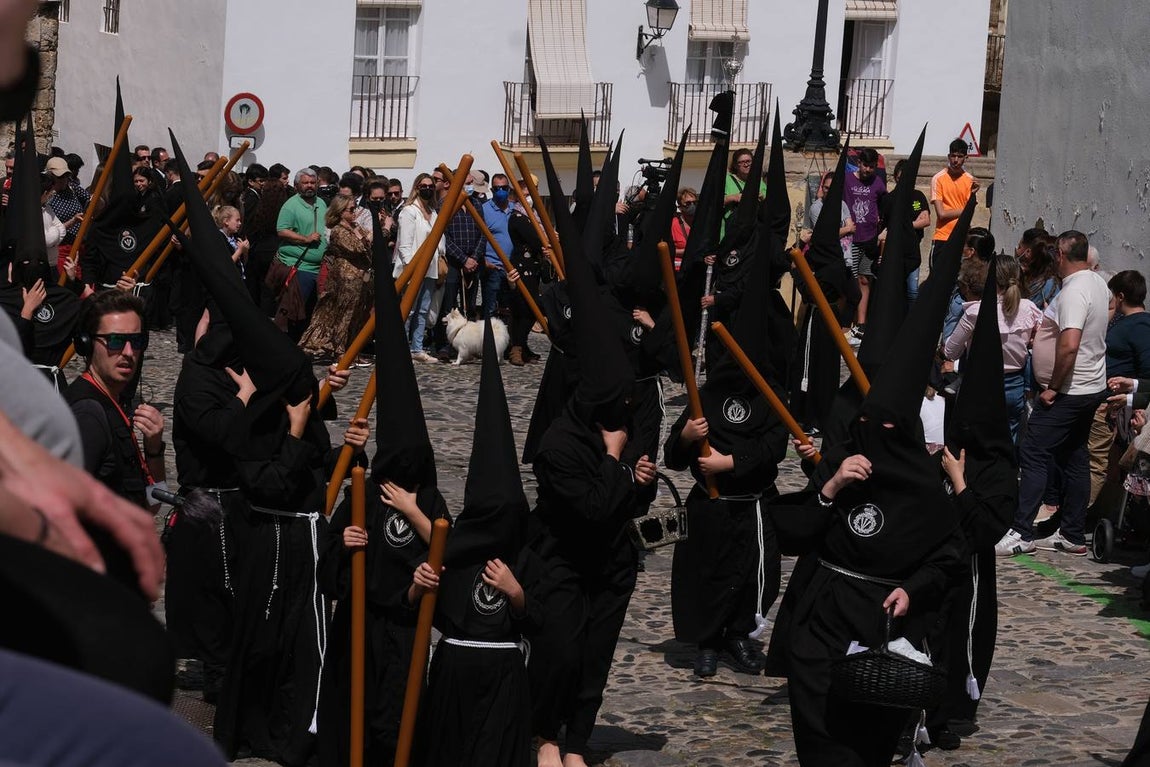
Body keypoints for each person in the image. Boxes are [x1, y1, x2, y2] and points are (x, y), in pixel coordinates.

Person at [413, 320, 540, 767]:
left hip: (505, 677)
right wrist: (421, 581)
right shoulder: (455, 545)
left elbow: (539, 617)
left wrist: (515, 591)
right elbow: (422, 606)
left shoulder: (526, 549)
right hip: (454, 672)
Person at [996, 230, 1110, 557]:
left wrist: (1054, 388)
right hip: (1090, 386)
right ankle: (1072, 533)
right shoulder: (1098, 283)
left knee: (1033, 451)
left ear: (1061, 255)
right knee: (1074, 455)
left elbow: (1070, 344)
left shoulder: (1075, 291)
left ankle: (1021, 532)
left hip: (1069, 390)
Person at [65, 291, 166, 516]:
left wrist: (154, 450)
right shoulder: (87, 415)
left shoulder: (114, 403)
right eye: (116, 341)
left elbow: (153, 504)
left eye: (137, 341)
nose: (129, 352)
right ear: (86, 344)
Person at [943, 255, 1042, 441]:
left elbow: (950, 351)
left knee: (976, 441)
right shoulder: (1029, 308)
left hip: (980, 386)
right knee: (1008, 440)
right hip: (1014, 386)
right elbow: (1042, 339)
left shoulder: (975, 311)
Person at [298, 194, 373, 364]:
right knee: (344, 314)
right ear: (340, 211)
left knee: (356, 315)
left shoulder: (354, 227)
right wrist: (365, 237)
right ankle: (340, 352)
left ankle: (351, 350)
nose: (355, 213)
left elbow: (368, 247)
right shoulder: (339, 230)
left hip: (360, 277)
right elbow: (358, 248)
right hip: (346, 278)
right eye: (351, 209)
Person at [394, 172, 442, 361]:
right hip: (413, 268)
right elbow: (405, 244)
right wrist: (410, 268)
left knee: (424, 309)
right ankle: (402, 347)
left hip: (430, 267)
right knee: (409, 309)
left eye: (431, 186)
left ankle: (417, 347)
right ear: (416, 188)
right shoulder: (409, 212)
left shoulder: (434, 212)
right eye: (424, 186)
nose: (428, 189)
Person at [274, 167, 328, 312]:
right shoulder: (291, 205)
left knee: (311, 312)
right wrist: (305, 239)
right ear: (297, 185)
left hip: (318, 269)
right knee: (294, 311)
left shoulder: (321, 203)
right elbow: (282, 231)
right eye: (305, 183)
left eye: (312, 182)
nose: (309, 185)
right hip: (299, 268)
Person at [878, 158, 930, 303]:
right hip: (894, 251)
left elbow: (925, 220)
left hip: (912, 251)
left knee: (913, 291)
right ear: (895, 177)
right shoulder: (888, 199)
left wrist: (905, 225)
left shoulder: (917, 197)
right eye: (900, 178)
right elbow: (885, 226)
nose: (903, 182)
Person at [929, 138, 979, 270]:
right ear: (948, 156)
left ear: (965, 158)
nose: (956, 160)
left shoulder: (970, 180)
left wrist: (973, 197)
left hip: (962, 239)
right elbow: (941, 214)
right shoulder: (938, 178)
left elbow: (970, 212)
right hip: (943, 237)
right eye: (953, 156)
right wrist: (965, 210)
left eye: (960, 156)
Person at [481, 173, 515, 320]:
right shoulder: (484, 209)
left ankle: (507, 341)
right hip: (493, 267)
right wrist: (485, 262)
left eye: (504, 187)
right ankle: (490, 341)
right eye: (497, 188)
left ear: (509, 189)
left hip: (512, 269)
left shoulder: (516, 209)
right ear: (491, 190)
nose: (501, 191)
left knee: (509, 310)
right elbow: (478, 238)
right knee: (491, 310)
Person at [722, 148, 765, 236]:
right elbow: (713, 203)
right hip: (734, 230)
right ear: (735, 165)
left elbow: (769, 205)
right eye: (741, 162)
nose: (746, 165)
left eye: (748, 161)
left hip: (754, 230)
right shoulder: (727, 180)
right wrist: (734, 197)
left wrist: (761, 197)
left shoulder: (759, 182)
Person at [670, 186, 696, 271]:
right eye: (688, 203)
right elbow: (667, 250)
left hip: (695, 268)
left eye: (695, 202)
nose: (692, 206)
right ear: (680, 207)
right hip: (677, 269)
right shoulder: (673, 224)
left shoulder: (701, 222)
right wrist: (685, 252)